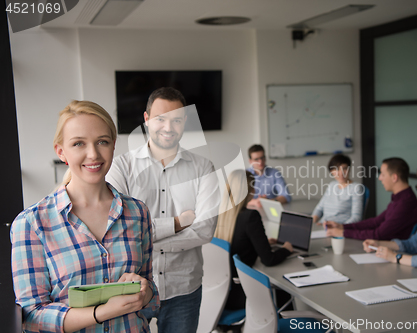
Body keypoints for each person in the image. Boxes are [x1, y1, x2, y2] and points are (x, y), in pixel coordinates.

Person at [11, 100, 159, 333]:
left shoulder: (138, 213)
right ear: (61, 152)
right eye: (79, 143)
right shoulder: (31, 223)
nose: (93, 154)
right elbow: (31, 316)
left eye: (102, 141)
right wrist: (102, 312)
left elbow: (150, 295)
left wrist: (146, 291)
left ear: (113, 146)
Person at [106, 87, 220, 333]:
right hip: (133, 290)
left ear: (184, 122)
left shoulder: (204, 168)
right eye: (160, 119)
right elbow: (119, 230)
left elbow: (204, 231)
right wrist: (178, 223)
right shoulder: (121, 168)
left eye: (176, 120)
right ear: (146, 119)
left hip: (184, 289)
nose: (168, 127)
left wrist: (142, 240)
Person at [214, 170, 293, 309]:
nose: (255, 190)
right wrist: (286, 249)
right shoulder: (250, 216)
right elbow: (269, 260)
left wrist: (261, 243)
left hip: (220, 295)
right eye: (252, 187)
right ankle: (283, 325)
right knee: (283, 286)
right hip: (242, 294)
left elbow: (236, 242)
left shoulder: (221, 214)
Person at [326, 157, 417, 240]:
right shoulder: (399, 198)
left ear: (394, 178)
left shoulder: (405, 203)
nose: (380, 178)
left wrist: (343, 233)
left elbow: (378, 234)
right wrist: (342, 227)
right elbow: (376, 222)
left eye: (383, 174)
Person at [312, 154, 364, 225]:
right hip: (323, 226)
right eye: (337, 169)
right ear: (331, 171)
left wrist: (339, 227)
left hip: (341, 229)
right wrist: (312, 221)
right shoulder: (332, 185)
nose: (341, 173)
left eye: (345, 168)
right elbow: (319, 208)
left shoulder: (356, 188)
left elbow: (356, 217)